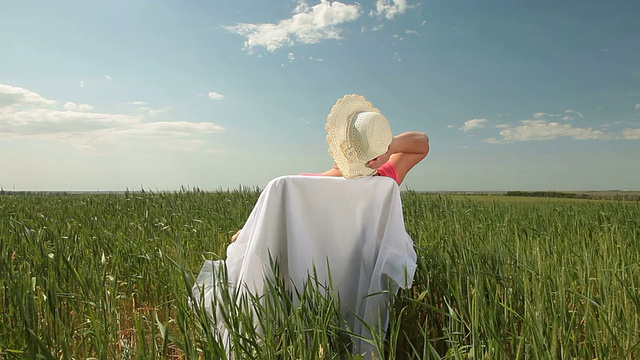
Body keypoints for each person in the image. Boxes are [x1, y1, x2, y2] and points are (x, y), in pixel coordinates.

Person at [231, 94, 429, 242]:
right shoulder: (386, 180)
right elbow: (422, 142)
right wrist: (390, 147)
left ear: (337, 146)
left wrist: (248, 231)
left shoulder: (299, 186)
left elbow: (251, 237)